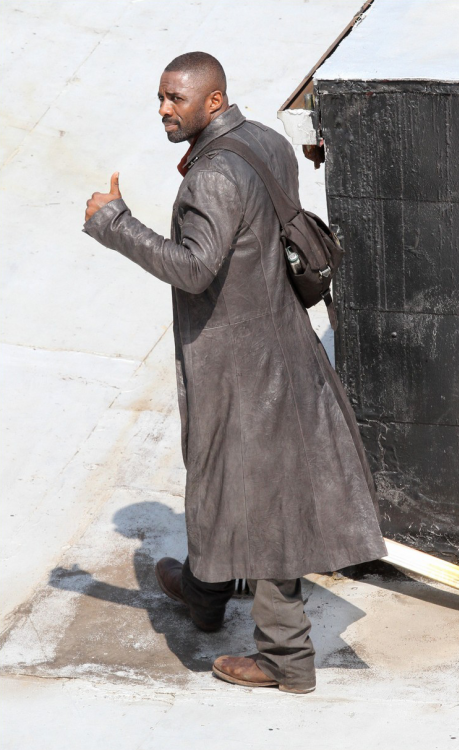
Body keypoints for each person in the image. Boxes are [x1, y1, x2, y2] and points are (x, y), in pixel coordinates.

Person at [83, 51, 386, 694]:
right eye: (161, 97)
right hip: (278, 343)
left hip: (242, 366)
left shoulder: (214, 175)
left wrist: (115, 223)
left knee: (264, 500)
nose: (164, 110)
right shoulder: (266, 143)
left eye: (177, 99)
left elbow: (194, 268)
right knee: (219, 480)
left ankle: (286, 659)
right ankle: (205, 591)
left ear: (213, 102)